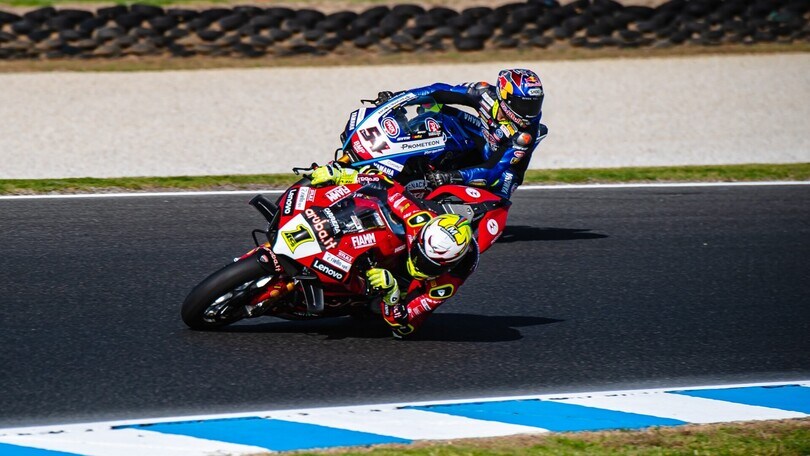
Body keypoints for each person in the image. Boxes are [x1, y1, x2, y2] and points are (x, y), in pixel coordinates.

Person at [309, 164, 479, 338]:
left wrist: (392, 292)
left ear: (448, 266)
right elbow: (385, 184)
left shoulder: (445, 284)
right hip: (409, 240)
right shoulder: (418, 219)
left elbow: (404, 327)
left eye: (430, 266)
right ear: (420, 238)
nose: (419, 266)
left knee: (377, 311)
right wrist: (341, 174)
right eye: (420, 256)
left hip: (404, 288)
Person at [376, 68, 548, 199]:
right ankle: (400, 152)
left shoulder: (524, 136)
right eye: (524, 105)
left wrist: (452, 177)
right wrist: (399, 99)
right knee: (436, 111)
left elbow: (493, 169)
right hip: (483, 138)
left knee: (495, 201)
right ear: (504, 96)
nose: (529, 112)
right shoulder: (483, 92)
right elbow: (439, 91)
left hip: (504, 166)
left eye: (534, 105)